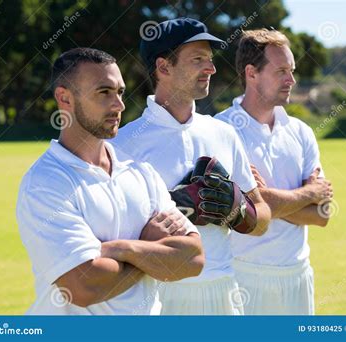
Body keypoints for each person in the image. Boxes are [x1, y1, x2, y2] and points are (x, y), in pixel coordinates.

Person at [16, 47, 204, 315]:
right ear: (64, 98)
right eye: (104, 92)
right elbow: (83, 288)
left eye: (120, 92)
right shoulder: (44, 183)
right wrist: (151, 250)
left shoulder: (141, 173)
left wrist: (122, 248)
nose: (119, 105)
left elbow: (193, 259)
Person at [111, 18, 271, 315]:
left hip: (224, 292)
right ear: (163, 67)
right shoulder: (121, 145)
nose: (210, 68)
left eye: (210, 60)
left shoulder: (224, 133)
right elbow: (109, 238)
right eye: (198, 59)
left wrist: (236, 210)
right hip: (157, 297)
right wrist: (173, 210)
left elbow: (262, 218)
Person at [215, 29, 334, 315]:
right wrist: (308, 194)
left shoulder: (301, 132)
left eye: (291, 70)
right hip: (243, 278)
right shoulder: (221, 130)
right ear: (251, 73)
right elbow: (242, 213)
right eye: (281, 70)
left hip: (298, 275)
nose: (291, 80)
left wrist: (262, 199)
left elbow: (322, 214)